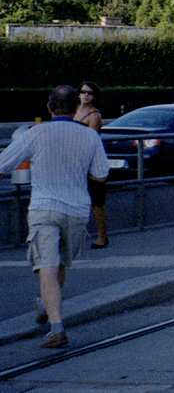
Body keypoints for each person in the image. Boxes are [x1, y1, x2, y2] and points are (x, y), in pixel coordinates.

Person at [0, 85, 109, 348]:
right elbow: (101, 174)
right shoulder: (89, 137)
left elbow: (3, 165)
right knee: (59, 264)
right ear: (75, 109)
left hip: (44, 207)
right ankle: (47, 308)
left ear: (49, 108)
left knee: (47, 267)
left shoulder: (34, 134)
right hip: (77, 209)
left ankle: (57, 326)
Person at [74, 81, 109, 248]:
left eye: (89, 92)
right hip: (75, 159)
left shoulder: (94, 116)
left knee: (96, 201)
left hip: (91, 161)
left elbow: (91, 141)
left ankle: (102, 236)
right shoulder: (74, 111)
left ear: (94, 96)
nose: (85, 95)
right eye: (83, 92)